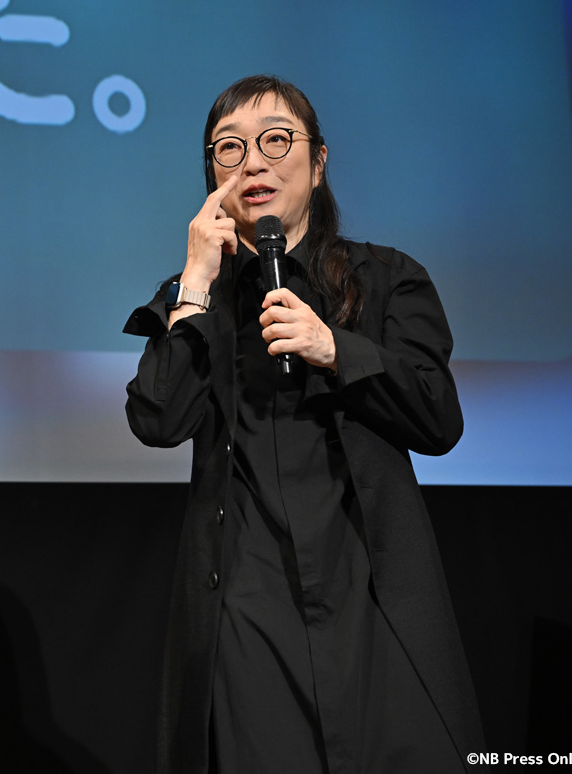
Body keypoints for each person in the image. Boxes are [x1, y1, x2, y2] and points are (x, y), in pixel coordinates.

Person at [124, 75, 484, 773]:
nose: (253, 162)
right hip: (249, 605)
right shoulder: (196, 299)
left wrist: (335, 348)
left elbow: (439, 417)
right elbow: (157, 419)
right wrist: (195, 281)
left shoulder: (387, 279)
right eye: (229, 148)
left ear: (318, 163)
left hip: (371, 591)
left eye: (275, 140)